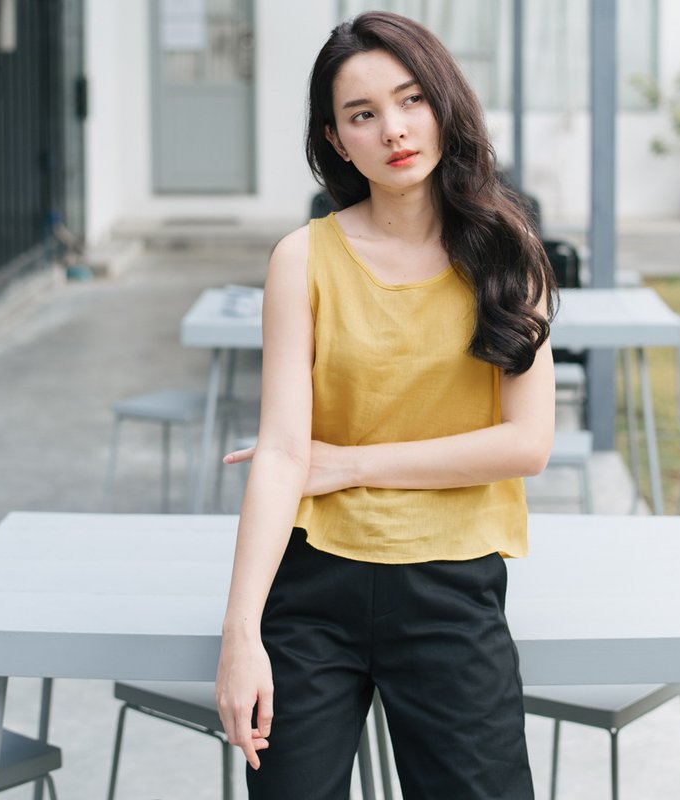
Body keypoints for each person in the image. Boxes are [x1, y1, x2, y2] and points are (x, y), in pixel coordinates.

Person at [215, 10, 557, 799]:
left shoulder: (508, 257)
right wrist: (240, 635)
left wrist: (350, 465)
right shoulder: (302, 259)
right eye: (362, 115)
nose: (394, 130)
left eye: (410, 101)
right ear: (336, 140)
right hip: (312, 590)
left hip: (450, 586)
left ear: (444, 104)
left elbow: (526, 444)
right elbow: (280, 453)